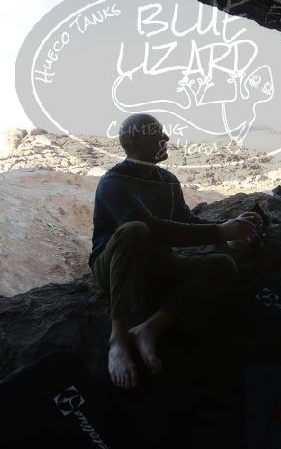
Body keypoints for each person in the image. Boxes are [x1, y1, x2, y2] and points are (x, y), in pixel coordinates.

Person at [89, 113, 263, 390]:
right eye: (156, 133)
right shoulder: (114, 182)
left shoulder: (167, 181)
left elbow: (185, 223)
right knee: (136, 230)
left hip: (157, 265)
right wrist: (220, 232)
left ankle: (150, 328)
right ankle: (118, 340)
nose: (166, 138)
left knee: (223, 265)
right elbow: (151, 228)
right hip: (114, 268)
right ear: (134, 142)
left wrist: (229, 231)